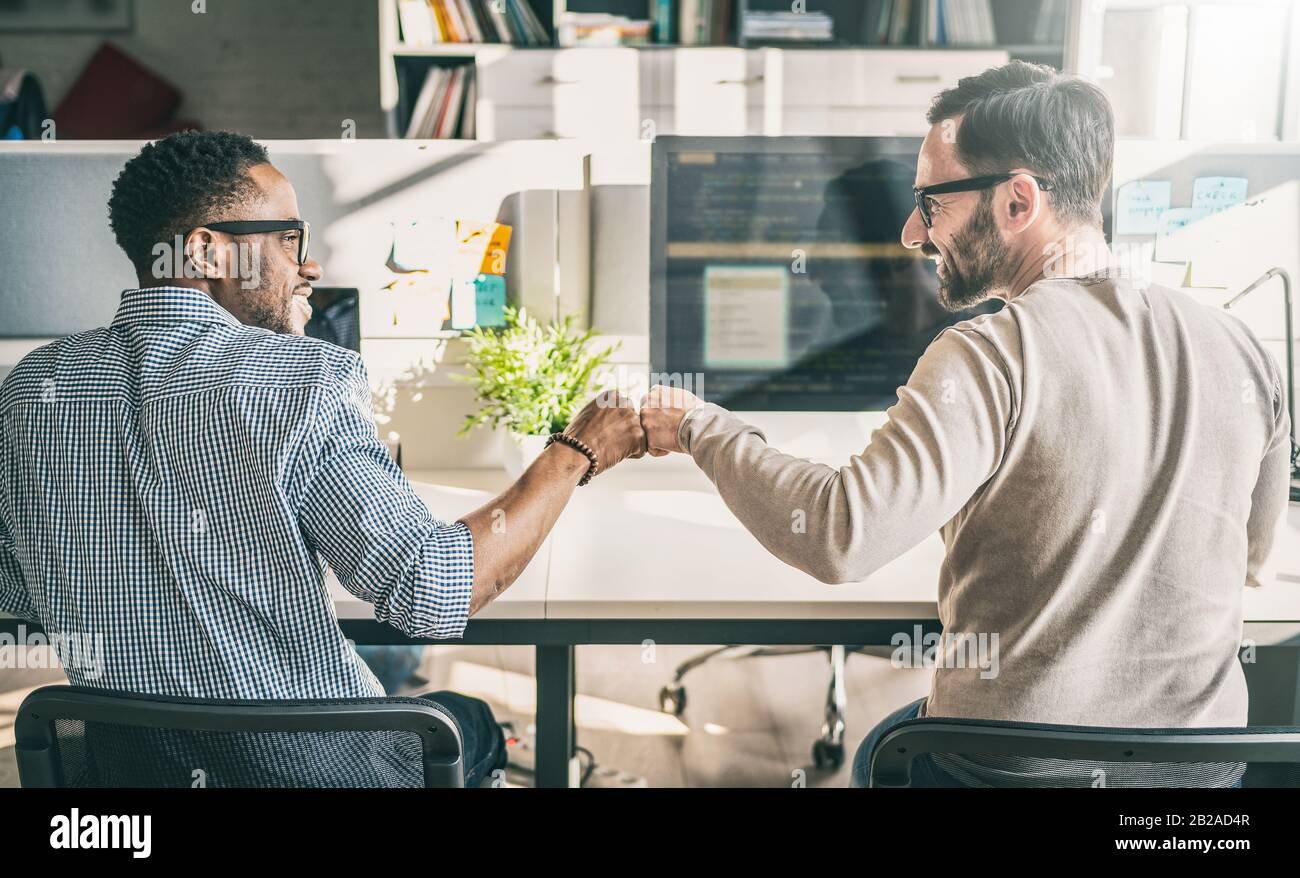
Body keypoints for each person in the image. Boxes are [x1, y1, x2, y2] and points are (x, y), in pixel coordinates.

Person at [640, 61, 1291, 787]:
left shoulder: (989, 354)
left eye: (931, 200)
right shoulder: (1241, 348)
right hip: (1200, 786)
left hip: (1014, 773)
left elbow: (838, 536)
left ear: (1019, 201)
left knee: (881, 752)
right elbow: (1251, 562)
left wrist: (698, 425)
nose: (913, 231)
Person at [0, 130, 647, 787]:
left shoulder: (31, 386)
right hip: (313, 773)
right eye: (288, 239)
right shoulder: (305, 377)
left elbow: (15, 590)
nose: (306, 266)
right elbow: (432, 591)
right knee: (467, 717)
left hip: (128, 775)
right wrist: (576, 452)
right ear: (204, 249)